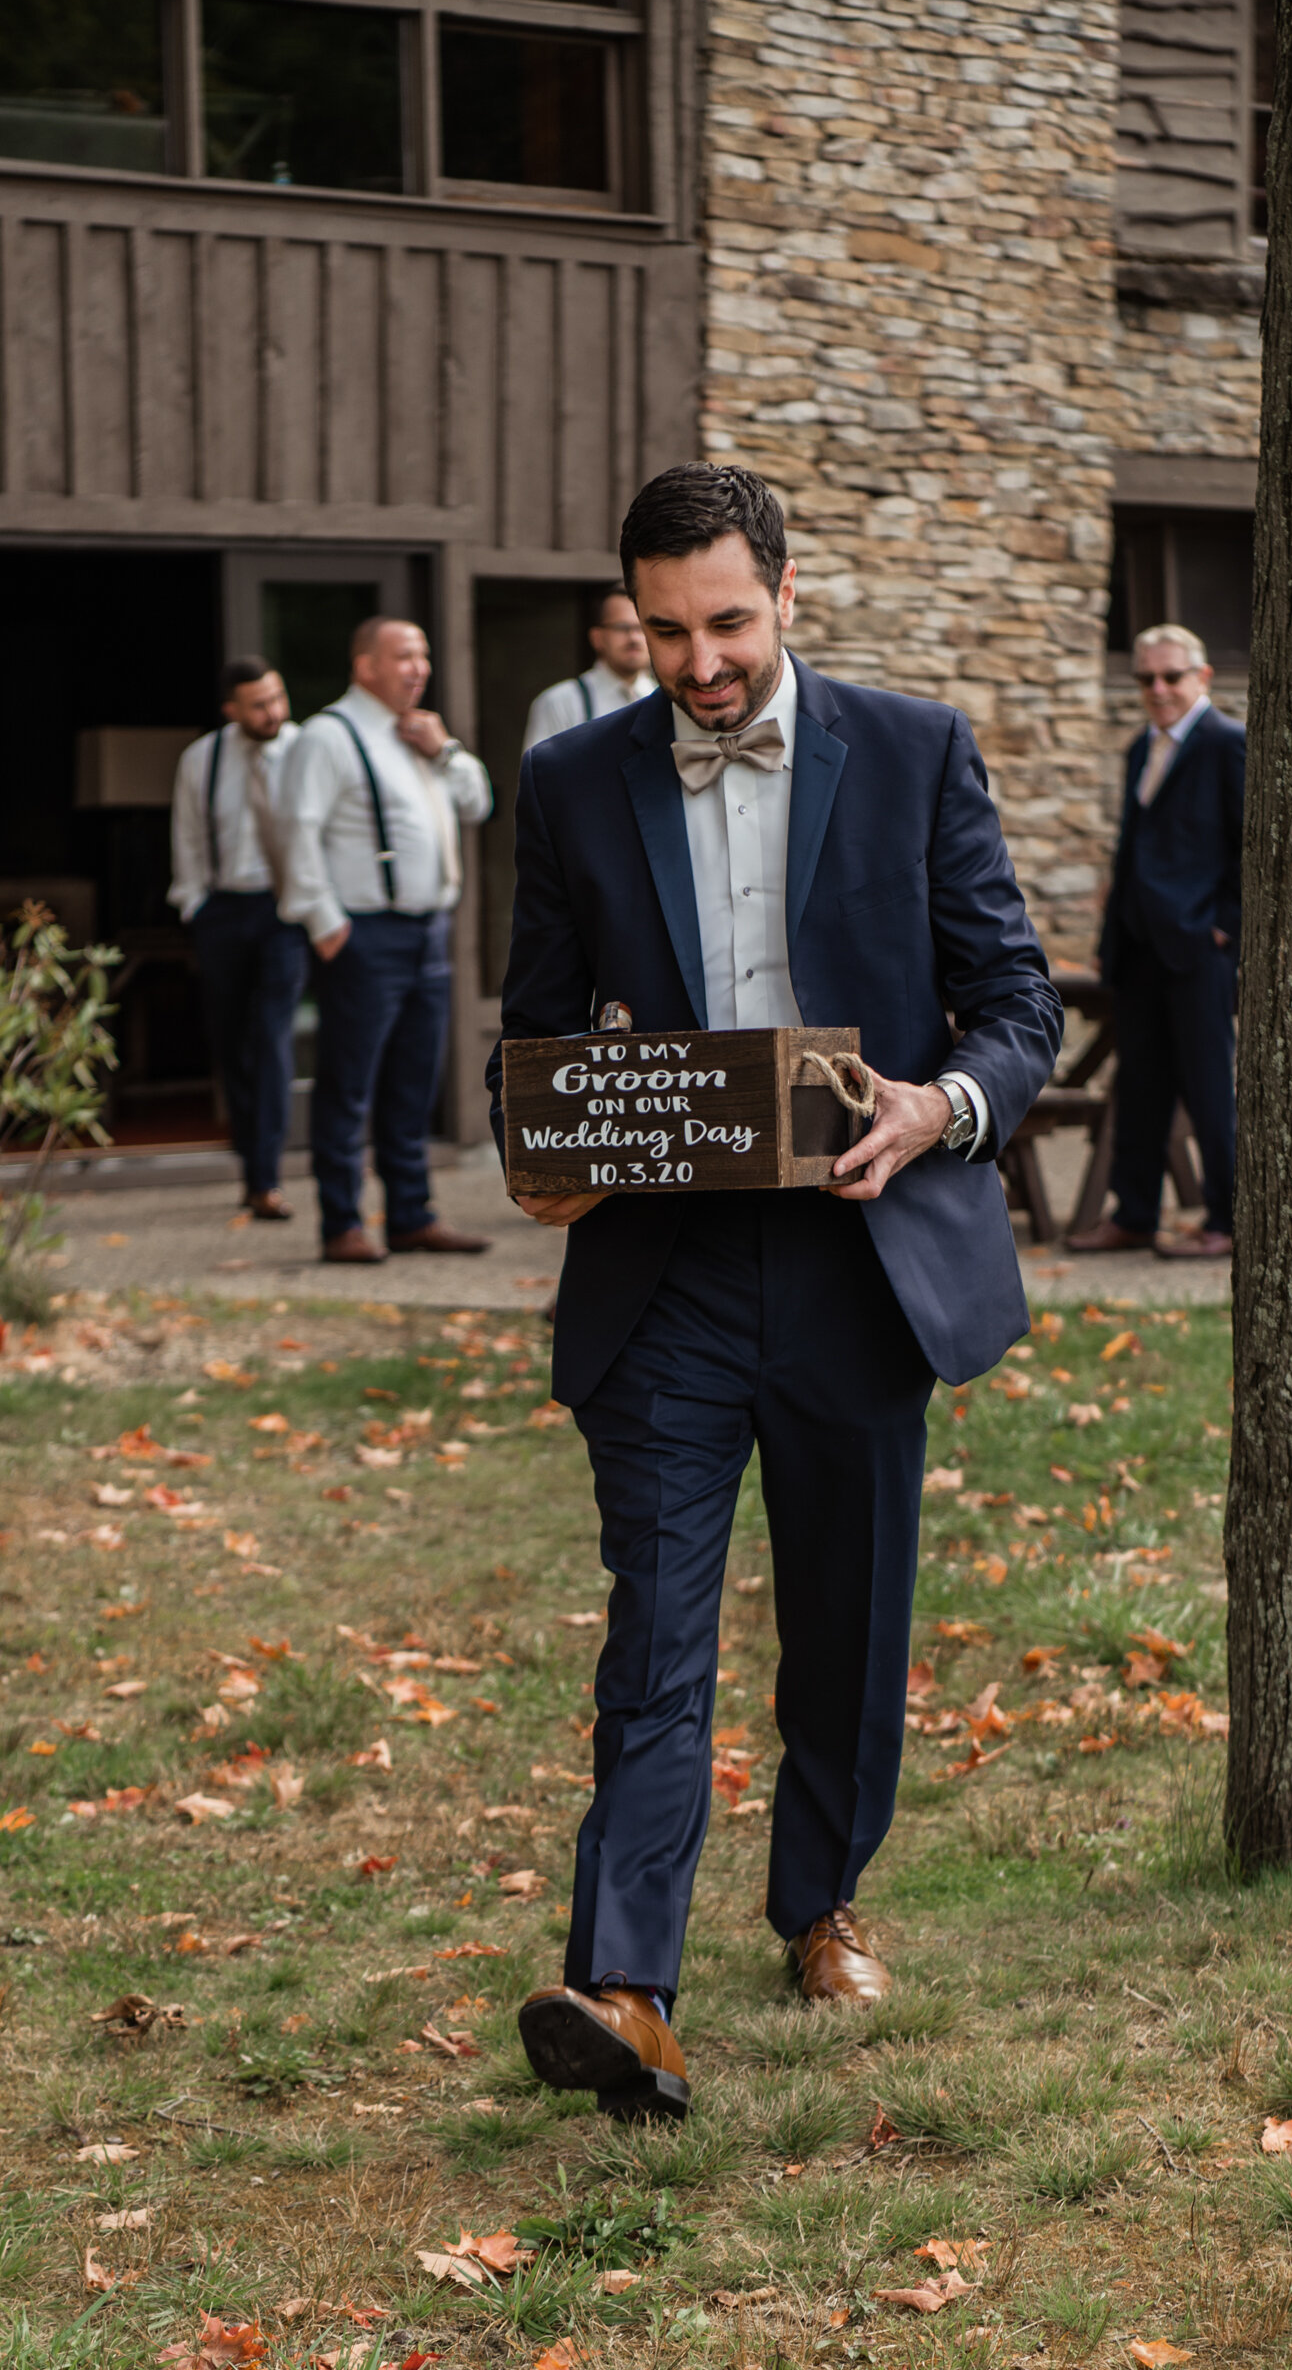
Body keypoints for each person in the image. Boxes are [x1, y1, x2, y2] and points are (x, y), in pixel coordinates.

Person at [489, 462, 1061, 2120]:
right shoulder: (571, 782)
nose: (700, 660)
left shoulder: (915, 749)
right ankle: (626, 1987)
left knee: (845, 1616)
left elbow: (1013, 1003)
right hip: (660, 1274)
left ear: (785, 596)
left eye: (726, 621)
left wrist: (937, 1110)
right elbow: (525, 1044)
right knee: (655, 1636)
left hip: (858, 1259)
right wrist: (554, 1143)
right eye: (665, 632)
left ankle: (818, 1907)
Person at [276, 618, 493, 1265]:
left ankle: (410, 1215)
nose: (418, 667)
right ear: (364, 664)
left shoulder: (420, 734)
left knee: (413, 1081)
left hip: (428, 933)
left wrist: (444, 747)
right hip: (364, 936)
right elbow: (297, 833)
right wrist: (327, 925)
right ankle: (341, 1222)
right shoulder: (327, 735)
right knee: (350, 1084)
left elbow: (477, 802)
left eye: (423, 654)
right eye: (403, 655)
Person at [1071, 621, 1244, 1260]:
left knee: (1207, 1088)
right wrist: (1110, 932)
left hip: (1200, 949)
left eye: (1172, 676)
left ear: (1202, 677)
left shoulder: (1227, 743)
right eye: (1147, 677)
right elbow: (1134, 850)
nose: (1159, 688)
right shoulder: (1139, 750)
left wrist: (1225, 925)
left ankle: (1226, 1219)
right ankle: (1134, 1214)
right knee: (1139, 1085)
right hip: (1138, 948)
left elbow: (1251, 846)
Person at [169, 657, 307, 1219]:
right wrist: (195, 904)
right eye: (258, 704)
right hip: (224, 909)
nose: (273, 712)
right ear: (232, 710)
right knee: (231, 1043)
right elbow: (188, 835)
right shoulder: (201, 758)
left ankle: (268, 1177)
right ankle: (252, 1169)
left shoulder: (307, 749)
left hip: (286, 910)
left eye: (277, 698)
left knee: (271, 1038)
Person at [522, 588, 656, 748]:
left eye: (641, 628)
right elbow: (540, 771)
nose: (634, 638)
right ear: (597, 637)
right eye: (622, 628)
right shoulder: (560, 702)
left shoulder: (665, 698)